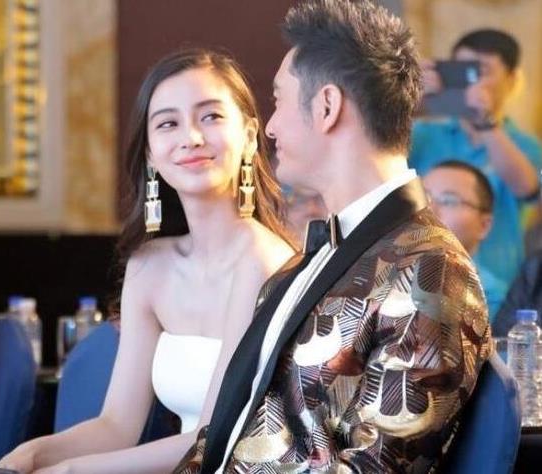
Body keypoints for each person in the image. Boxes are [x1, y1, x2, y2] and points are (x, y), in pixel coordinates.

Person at [173, 1, 491, 472]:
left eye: (278, 100)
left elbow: (374, 467)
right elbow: (226, 434)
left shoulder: (429, 269)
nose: (270, 127)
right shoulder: (310, 258)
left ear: (327, 106)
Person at [0, 49, 294, 473]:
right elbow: (116, 426)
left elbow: (213, 439)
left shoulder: (263, 261)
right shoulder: (149, 266)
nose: (191, 137)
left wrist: (69, 471)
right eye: (168, 124)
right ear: (151, 153)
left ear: (249, 135)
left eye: (210, 116)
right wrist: (30, 455)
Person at [411, 29, 542, 296]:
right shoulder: (422, 134)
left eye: (481, 71)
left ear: (512, 79)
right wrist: (407, 103)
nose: (470, 83)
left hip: (500, 288)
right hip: (423, 280)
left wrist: (486, 122)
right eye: (460, 72)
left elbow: (528, 189)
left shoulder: (526, 145)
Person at [423, 160, 507, 320]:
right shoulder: (389, 280)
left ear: (484, 225)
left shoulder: (495, 299)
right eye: (424, 198)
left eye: (449, 201)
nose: (429, 210)